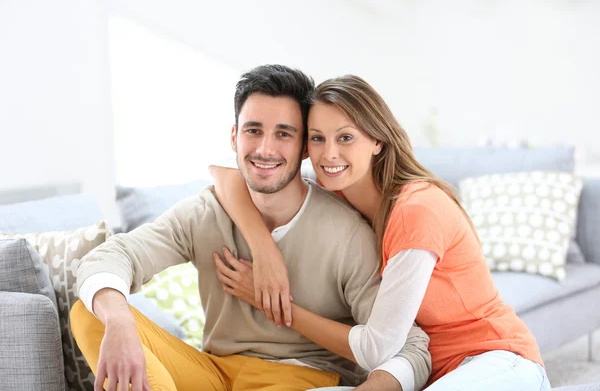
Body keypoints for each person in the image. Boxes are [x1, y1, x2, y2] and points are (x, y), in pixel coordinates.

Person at [70, 65, 431, 391]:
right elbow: (111, 257)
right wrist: (119, 321)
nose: (265, 149)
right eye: (253, 131)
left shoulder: (346, 232)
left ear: (305, 146)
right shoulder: (204, 212)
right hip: (212, 371)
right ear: (234, 137)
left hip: (300, 376)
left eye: (284, 134)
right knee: (89, 312)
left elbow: (409, 345)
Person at [210, 74, 552, 390]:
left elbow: (377, 348)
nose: (329, 154)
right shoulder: (336, 190)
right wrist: (265, 250)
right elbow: (226, 178)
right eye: (318, 138)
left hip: (497, 360)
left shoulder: (418, 208)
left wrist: (273, 303)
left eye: (346, 137)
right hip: (425, 374)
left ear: (377, 140)